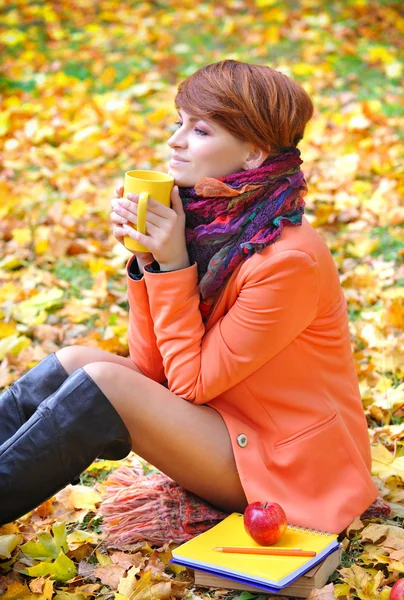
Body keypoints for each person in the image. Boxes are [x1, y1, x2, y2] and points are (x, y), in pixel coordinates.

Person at [0, 60, 378, 532]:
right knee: (76, 360)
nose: (174, 141)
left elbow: (187, 384)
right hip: (224, 422)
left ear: (254, 155)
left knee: (105, 381)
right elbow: (154, 369)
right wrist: (148, 261)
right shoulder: (211, 232)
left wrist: (175, 265)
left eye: (199, 131)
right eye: (177, 123)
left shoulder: (288, 261)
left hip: (287, 465)